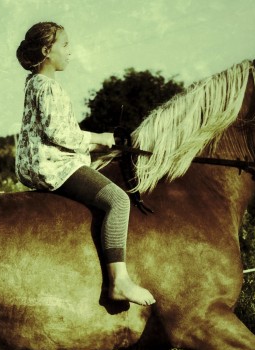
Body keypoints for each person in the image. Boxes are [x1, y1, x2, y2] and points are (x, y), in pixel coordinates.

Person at [15, 22, 155, 306]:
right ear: (46, 50)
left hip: (43, 163)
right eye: (65, 45)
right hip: (55, 167)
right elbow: (60, 134)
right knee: (119, 201)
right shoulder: (48, 87)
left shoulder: (34, 83)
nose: (70, 51)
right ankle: (119, 281)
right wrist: (98, 138)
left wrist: (96, 145)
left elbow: (53, 134)